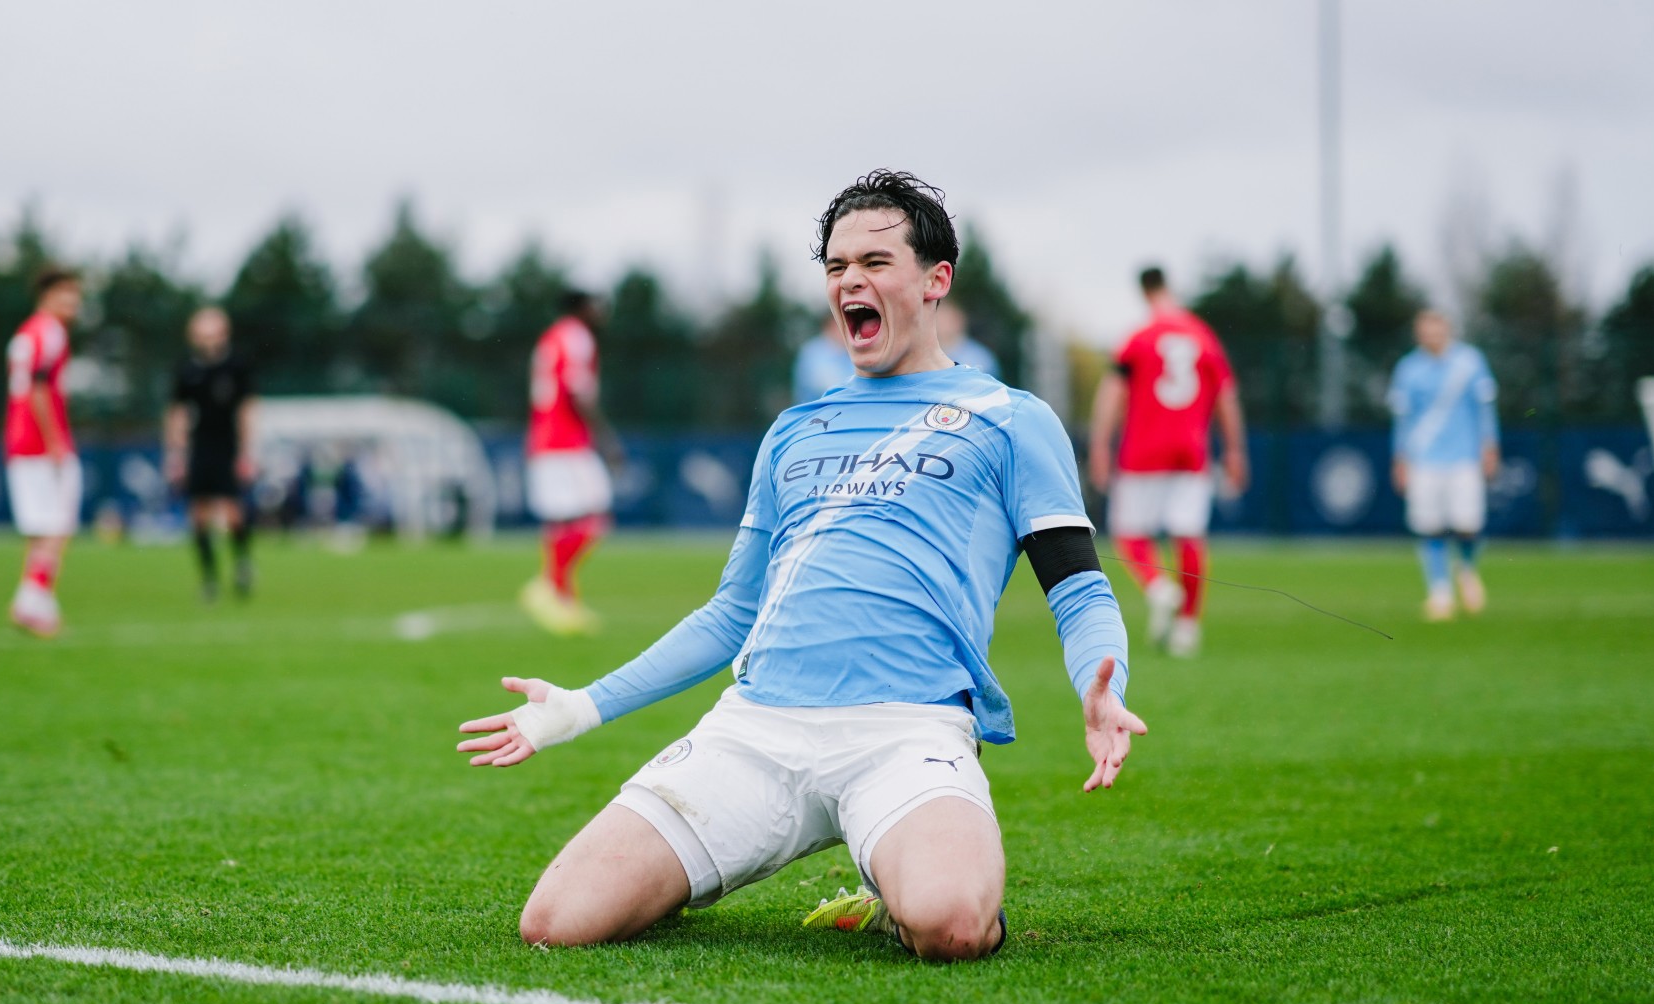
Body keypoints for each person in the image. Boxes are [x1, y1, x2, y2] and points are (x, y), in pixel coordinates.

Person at [457, 170, 1144, 962]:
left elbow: (1079, 588)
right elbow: (730, 613)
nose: (850, 280)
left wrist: (1104, 685)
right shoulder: (792, 431)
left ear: (934, 280)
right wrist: (577, 708)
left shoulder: (1012, 419)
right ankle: (755, 851)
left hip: (906, 731)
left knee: (949, 923)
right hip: (756, 733)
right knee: (557, 921)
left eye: (876, 262)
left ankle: (893, 871)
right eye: (835, 266)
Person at [1087, 267, 1247, 659]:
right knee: (1188, 534)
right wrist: (1234, 450)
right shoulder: (1203, 336)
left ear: (1144, 293)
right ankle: (1188, 628)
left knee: (1128, 532)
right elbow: (1226, 398)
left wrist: (1100, 445)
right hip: (1190, 449)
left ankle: (1159, 587)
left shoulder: (1138, 338)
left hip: (1144, 448)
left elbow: (1112, 393)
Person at [1388, 309, 1499, 620]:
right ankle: (1439, 592)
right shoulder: (1408, 369)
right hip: (1424, 458)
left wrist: (1490, 447)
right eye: (1425, 330)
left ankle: (1466, 569)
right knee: (1429, 527)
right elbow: (1402, 418)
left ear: (1447, 329)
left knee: (1468, 524)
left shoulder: (1471, 362)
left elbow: (1485, 409)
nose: (1431, 336)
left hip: (1464, 456)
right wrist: (1400, 458)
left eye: (1436, 329)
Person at [521, 290, 622, 634]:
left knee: (562, 521)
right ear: (581, 308)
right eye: (596, 305)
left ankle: (562, 598)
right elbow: (578, 392)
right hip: (567, 441)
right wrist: (606, 439)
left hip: (544, 438)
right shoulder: (577, 337)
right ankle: (550, 586)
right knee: (596, 516)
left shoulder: (550, 337)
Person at [3, 267, 84, 638]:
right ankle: (30, 600)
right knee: (58, 525)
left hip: (17, 441)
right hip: (39, 443)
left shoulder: (25, 331)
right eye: (68, 294)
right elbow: (38, 388)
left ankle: (38, 603)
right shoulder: (50, 332)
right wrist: (54, 441)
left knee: (40, 528)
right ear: (49, 295)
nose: (74, 303)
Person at [164, 307, 256, 601]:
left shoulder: (237, 365)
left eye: (213, 334)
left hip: (227, 446)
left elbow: (247, 410)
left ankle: (242, 563)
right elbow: (177, 413)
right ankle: (209, 578)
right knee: (198, 515)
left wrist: (246, 453)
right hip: (199, 446)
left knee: (232, 513)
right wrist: (176, 454)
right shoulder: (187, 369)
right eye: (203, 335)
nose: (208, 341)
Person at [790, 316, 853, 403]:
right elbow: (828, 386)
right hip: (816, 411)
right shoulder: (813, 352)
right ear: (829, 327)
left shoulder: (848, 352)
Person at [936, 298, 999, 377]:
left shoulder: (978, 357)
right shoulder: (936, 353)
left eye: (944, 320)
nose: (939, 324)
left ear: (958, 321)